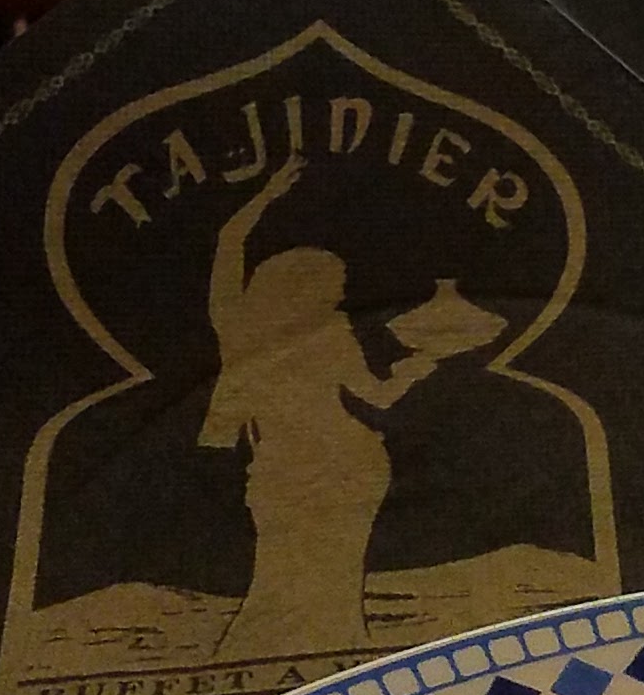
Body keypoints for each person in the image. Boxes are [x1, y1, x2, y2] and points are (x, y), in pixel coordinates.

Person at [200, 155, 500, 665]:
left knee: (328, 567)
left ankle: (331, 650)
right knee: (284, 564)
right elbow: (229, 243)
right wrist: (266, 196)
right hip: (301, 468)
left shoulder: (281, 330)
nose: (340, 296)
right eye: (332, 286)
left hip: (341, 466)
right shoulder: (247, 328)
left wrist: (417, 366)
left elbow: (375, 397)